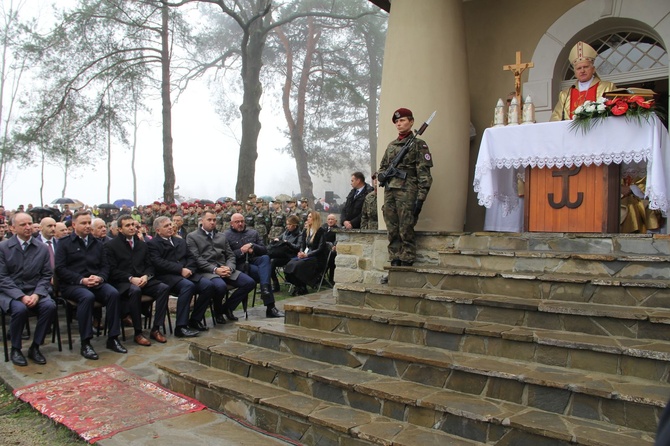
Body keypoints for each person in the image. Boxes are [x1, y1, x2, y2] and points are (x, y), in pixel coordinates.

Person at [55, 211, 127, 360]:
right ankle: (86, 342)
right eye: (83, 223)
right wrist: (82, 280)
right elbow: (60, 269)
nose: (87, 226)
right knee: (86, 297)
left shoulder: (97, 243)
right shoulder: (64, 243)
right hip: (73, 284)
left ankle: (113, 338)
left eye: (89, 223)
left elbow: (105, 266)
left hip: (95, 282)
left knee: (113, 293)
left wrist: (100, 278)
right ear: (74, 225)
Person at [0, 213, 57, 366]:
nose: (28, 227)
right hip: (10, 292)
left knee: (49, 306)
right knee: (20, 310)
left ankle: (35, 347)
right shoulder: (3, 248)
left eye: (30, 224)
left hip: (34, 290)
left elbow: (46, 275)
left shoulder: (42, 248)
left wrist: (37, 294)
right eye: (23, 225)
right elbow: (2, 278)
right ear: (12, 228)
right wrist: (20, 296)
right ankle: (16, 348)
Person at [378, 107, 433, 266]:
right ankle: (394, 258)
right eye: (396, 121)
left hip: (407, 191)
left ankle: (407, 259)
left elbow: (424, 174)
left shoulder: (418, 145)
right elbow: (382, 167)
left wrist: (421, 198)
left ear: (411, 122)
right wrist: (382, 175)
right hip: (390, 191)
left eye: (402, 120)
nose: (398, 124)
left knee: (406, 227)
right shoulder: (391, 145)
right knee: (392, 227)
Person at [105, 214, 170, 346]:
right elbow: (112, 270)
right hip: (123, 282)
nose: (132, 228)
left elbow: (149, 265)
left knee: (163, 288)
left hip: (142, 279)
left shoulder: (142, 245)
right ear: (120, 229)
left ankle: (156, 328)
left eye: (133, 225)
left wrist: (146, 276)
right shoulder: (111, 245)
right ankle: (138, 332)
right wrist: (130, 278)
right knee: (135, 291)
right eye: (127, 225)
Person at [186, 210, 255, 324]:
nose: (212, 222)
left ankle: (226, 308)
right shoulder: (192, 237)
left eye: (214, 220)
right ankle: (218, 312)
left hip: (224, 268)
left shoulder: (221, 236)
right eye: (209, 220)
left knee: (249, 282)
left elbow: (230, 255)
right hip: (206, 270)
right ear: (201, 221)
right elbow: (196, 258)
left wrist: (229, 268)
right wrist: (215, 270)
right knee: (220, 286)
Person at [147, 216, 211, 338]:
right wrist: (180, 269)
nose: (170, 227)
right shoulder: (152, 244)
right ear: (158, 230)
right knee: (188, 286)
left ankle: (195, 319)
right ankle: (181, 327)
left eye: (170, 224)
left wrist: (189, 270)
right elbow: (158, 262)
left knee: (208, 285)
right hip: (167, 276)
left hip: (187, 274)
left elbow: (191, 257)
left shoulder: (180, 241)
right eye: (166, 226)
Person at [224, 213, 284, 318]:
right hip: (239, 264)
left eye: (242, 221)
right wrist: (242, 250)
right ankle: (270, 307)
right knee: (264, 273)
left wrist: (253, 246)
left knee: (265, 259)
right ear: (231, 223)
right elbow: (227, 255)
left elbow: (265, 250)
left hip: (254, 260)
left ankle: (264, 289)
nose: (240, 224)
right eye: (237, 222)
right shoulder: (226, 235)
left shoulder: (253, 233)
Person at [550, 41, 616, 121]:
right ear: (575, 72)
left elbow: (615, 111)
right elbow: (555, 118)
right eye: (579, 68)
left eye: (585, 67)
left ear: (593, 69)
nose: (582, 71)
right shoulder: (566, 94)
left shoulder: (607, 87)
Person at [284, 211, 328, 295]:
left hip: (317, 258)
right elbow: (302, 245)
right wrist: (301, 252)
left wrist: (307, 255)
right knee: (290, 264)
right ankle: (299, 286)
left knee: (298, 266)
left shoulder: (320, 231)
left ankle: (302, 286)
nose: (308, 219)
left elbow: (320, 248)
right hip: (305, 255)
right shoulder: (306, 231)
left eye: (310, 217)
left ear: (315, 219)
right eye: (308, 217)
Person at [269, 215, 301, 291]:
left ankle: (276, 285)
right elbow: (279, 238)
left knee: (272, 262)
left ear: (295, 225)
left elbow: (298, 247)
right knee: (268, 259)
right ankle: (272, 283)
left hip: (291, 256)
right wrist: (276, 239)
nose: (287, 226)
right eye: (287, 224)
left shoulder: (299, 234)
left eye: (290, 224)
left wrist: (288, 243)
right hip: (282, 254)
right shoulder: (286, 232)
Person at [322, 214, 339, 284]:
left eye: (332, 219)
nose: (330, 221)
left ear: (336, 221)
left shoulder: (338, 230)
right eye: (329, 219)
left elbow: (337, 240)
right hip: (322, 249)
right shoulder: (323, 228)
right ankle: (320, 278)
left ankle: (331, 279)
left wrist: (335, 246)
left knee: (332, 256)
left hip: (331, 250)